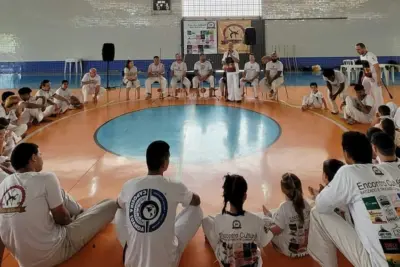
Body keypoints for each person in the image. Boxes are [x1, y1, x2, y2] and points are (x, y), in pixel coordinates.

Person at [0, 143, 118, 267]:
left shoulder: (3, 185)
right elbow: (62, 219)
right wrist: (72, 222)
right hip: (55, 250)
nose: (41, 158)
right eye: (40, 154)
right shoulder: (46, 178)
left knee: (57, 193)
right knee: (110, 205)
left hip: (24, 262)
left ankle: (80, 213)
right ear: (34, 158)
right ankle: (80, 213)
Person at [308, 131, 400, 267]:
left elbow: (322, 205)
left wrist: (328, 188)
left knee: (317, 213)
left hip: (381, 264)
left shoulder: (348, 172)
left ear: (346, 154)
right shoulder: (386, 171)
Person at [115, 140, 203, 267]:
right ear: (165, 164)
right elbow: (196, 201)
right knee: (196, 210)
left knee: (120, 209)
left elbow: (118, 205)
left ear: (147, 162)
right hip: (166, 263)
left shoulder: (130, 185)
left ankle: (133, 247)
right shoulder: (175, 186)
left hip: (132, 262)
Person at [202, 174, 272, 266]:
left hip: (227, 262)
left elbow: (215, 239)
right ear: (245, 196)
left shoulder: (219, 219)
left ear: (227, 196)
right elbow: (264, 241)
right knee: (259, 233)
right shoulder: (255, 220)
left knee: (206, 220)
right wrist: (268, 217)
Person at [262, 173, 311, 258]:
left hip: (290, 250)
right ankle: (272, 217)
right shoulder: (306, 204)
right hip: (307, 248)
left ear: (283, 190)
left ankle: (269, 216)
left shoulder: (284, 207)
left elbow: (277, 231)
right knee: (281, 221)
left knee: (265, 223)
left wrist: (266, 225)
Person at [308, 159, 353, 224]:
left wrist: (316, 196)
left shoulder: (332, 192)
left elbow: (321, 205)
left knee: (314, 210)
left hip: (347, 227)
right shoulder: (347, 185)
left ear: (325, 176)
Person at [356, 43, 384, 108]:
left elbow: (378, 68)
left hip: (375, 75)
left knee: (377, 94)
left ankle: (380, 110)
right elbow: (365, 66)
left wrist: (379, 79)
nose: (357, 51)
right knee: (363, 90)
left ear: (364, 48)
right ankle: (366, 105)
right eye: (356, 50)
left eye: (359, 49)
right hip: (367, 75)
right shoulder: (361, 56)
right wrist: (364, 75)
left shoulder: (371, 56)